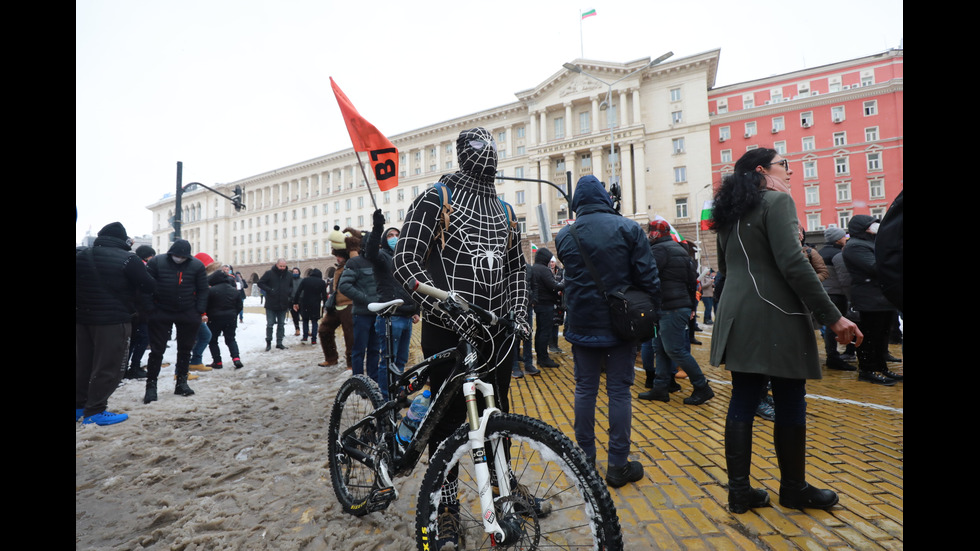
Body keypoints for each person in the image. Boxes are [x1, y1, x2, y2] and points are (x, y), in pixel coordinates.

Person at [394, 127, 530, 548]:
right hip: (447, 331)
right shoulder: (437, 198)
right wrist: (443, 308)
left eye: (490, 146)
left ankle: (504, 492)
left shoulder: (506, 211)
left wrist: (521, 312)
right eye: (476, 147)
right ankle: (447, 504)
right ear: (461, 154)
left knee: (497, 416)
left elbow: (518, 269)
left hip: (495, 334)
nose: (486, 154)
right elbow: (405, 259)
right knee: (448, 422)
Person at [709, 148, 862, 513]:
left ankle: (739, 492)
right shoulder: (777, 202)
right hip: (776, 312)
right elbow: (793, 262)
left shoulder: (727, 212)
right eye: (785, 165)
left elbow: (727, 271)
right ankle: (793, 489)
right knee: (791, 398)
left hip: (736, 314)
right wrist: (833, 316)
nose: (790, 172)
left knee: (743, 398)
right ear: (763, 170)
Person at [555, 175, 660, 488]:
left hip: (581, 324)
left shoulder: (565, 234)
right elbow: (649, 277)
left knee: (585, 389)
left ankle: (585, 462)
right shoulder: (628, 228)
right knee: (618, 392)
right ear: (605, 197)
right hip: (621, 324)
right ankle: (617, 465)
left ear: (577, 202)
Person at [76, 222, 156, 425]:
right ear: (123, 240)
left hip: (82, 319)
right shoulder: (128, 259)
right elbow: (149, 285)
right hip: (113, 321)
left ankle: (78, 407)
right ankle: (95, 411)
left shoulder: (81, 255)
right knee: (110, 365)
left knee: (82, 364)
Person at [641, 219, 714, 405]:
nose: (650, 234)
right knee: (661, 349)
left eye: (651, 231)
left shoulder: (659, 250)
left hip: (668, 307)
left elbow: (648, 276)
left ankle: (702, 387)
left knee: (674, 349)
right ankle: (661, 387)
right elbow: (693, 281)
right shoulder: (680, 250)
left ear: (656, 233)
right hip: (675, 306)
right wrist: (690, 306)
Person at [144, 239, 210, 403]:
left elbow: (203, 289)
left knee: (185, 349)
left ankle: (181, 382)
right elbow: (145, 287)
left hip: (187, 311)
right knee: (157, 350)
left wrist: (198, 310)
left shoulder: (196, 266)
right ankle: (151, 386)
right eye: (176, 255)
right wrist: (151, 308)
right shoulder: (157, 263)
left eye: (182, 256)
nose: (179, 258)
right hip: (161, 310)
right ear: (170, 253)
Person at [842, 215, 902, 385]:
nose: (876, 225)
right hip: (869, 300)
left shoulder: (871, 243)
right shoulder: (855, 246)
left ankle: (881, 368)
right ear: (863, 227)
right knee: (869, 337)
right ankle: (867, 370)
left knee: (881, 336)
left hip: (881, 298)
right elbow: (875, 267)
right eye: (872, 224)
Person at [366, 210, 420, 398]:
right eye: (390, 235)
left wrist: (416, 309)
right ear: (384, 239)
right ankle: (385, 399)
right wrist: (377, 227)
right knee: (388, 361)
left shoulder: (404, 258)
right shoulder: (381, 256)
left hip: (406, 317)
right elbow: (370, 251)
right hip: (391, 317)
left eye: (397, 235)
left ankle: (397, 394)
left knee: (401, 361)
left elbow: (411, 286)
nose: (394, 238)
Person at [338, 229, 382, 380]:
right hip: (362, 314)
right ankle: (358, 382)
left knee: (375, 350)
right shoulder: (354, 262)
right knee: (358, 350)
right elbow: (344, 286)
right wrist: (366, 299)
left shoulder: (380, 261)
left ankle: (373, 379)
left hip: (378, 314)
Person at [818, 227, 856, 371]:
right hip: (837, 294)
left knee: (829, 327)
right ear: (837, 239)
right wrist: (851, 297)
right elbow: (844, 278)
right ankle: (836, 357)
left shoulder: (820, 253)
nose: (845, 238)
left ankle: (832, 355)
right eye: (843, 236)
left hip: (824, 293)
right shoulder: (838, 255)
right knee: (838, 325)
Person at [318, 227, 356, 368]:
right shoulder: (339, 267)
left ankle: (351, 364)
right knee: (324, 329)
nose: (336, 258)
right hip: (335, 305)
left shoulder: (352, 264)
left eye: (338, 255)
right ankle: (331, 358)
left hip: (349, 304)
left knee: (350, 337)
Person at [124, 245, 156, 380]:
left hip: (134, 311)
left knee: (133, 340)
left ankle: (125, 367)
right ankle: (134, 367)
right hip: (141, 311)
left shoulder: (132, 265)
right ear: (147, 257)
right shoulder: (143, 268)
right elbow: (146, 290)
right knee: (142, 339)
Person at [187, 252, 222, 374]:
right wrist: (202, 314)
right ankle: (191, 362)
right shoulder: (195, 279)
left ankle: (194, 361)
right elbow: (196, 297)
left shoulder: (198, 278)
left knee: (200, 337)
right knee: (202, 336)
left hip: (194, 312)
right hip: (192, 313)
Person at [530, 247, 564, 368]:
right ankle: (543, 358)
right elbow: (553, 285)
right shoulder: (544, 270)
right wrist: (565, 282)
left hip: (539, 304)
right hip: (546, 305)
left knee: (540, 331)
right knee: (545, 332)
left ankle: (541, 356)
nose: (550, 262)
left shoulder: (534, 268)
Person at [206, 268, 245, 369]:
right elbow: (239, 306)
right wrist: (233, 314)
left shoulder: (211, 291)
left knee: (213, 340)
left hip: (214, 319)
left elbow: (206, 305)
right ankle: (236, 359)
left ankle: (217, 362)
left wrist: (209, 315)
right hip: (231, 318)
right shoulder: (234, 291)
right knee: (231, 339)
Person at [257, 258, 292, 351]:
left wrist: (288, 293)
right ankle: (268, 342)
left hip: (283, 304)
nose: (282, 268)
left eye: (284, 266)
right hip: (271, 304)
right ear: (277, 265)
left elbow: (291, 286)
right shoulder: (269, 273)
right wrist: (269, 290)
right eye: (281, 266)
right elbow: (260, 283)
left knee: (281, 324)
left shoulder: (288, 274)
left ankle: (279, 343)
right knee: (270, 324)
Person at [293, 268, 327, 345]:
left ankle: (305, 337)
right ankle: (314, 339)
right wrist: (325, 305)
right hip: (316, 304)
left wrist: (295, 302)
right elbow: (324, 295)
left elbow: (298, 292)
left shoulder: (305, 280)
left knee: (305, 320)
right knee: (314, 321)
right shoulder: (321, 282)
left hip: (305, 303)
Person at [548, 257, 566, 354]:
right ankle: (551, 345)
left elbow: (563, 283)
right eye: (550, 262)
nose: (552, 264)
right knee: (551, 324)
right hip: (551, 301)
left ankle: (555, 344)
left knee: (557, 324)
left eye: (553, 262)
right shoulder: (547, 272)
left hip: (559, 302)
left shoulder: (560, 272)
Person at [289, 267, 303, 336]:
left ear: (299, 272)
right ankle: (297, 329)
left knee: (304, 315)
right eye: (294, 272)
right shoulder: (290, 281)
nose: (295, 273)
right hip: (292, 300)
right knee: (295, 316)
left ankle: (307, 330)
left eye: (296, 272)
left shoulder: (302, 280)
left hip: (301, 300)